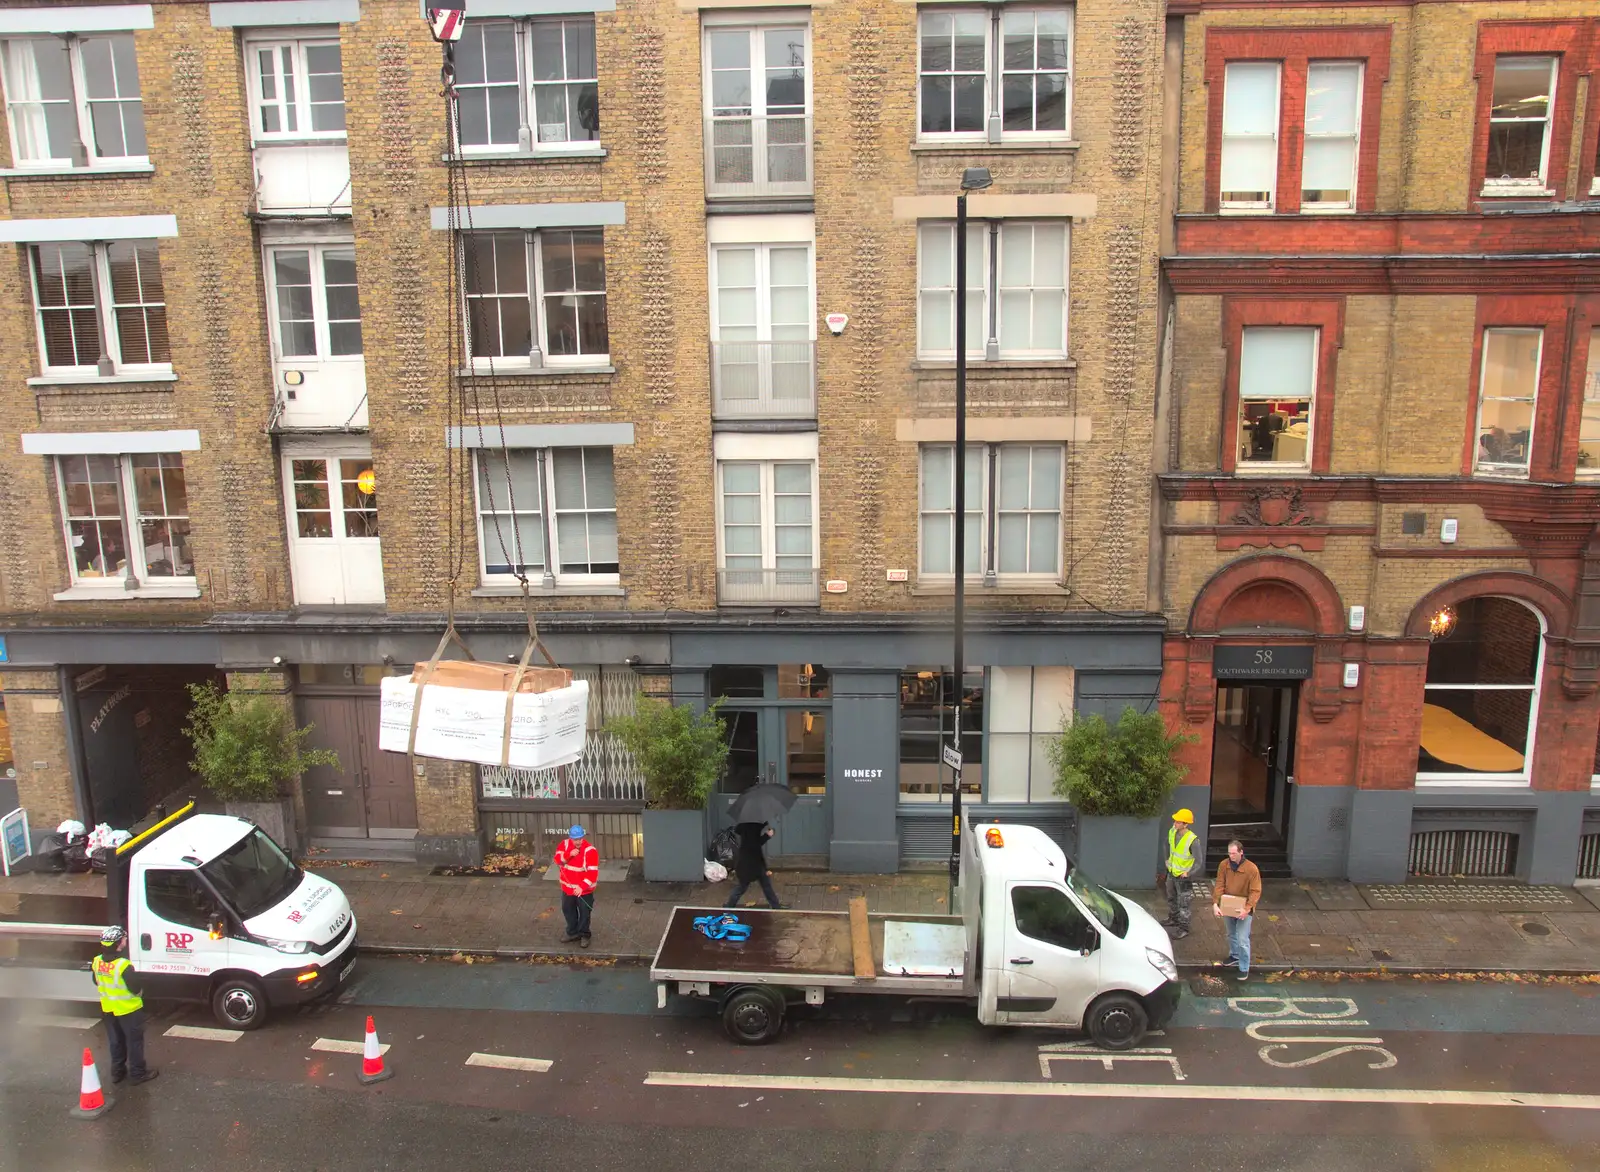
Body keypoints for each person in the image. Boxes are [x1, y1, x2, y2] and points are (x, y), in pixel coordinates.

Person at [93, 926, 157, 1085]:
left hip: (109, 1009)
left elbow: (96, 981)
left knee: (116, 1041)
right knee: (134, 1042)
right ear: (118, 943)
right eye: (123, 939)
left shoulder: (97, 961)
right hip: (129, 1010)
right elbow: (136, 989)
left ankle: (117, 1072)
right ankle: (137, 1073)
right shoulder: (123, 965)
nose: (125, 941)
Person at [1212, 838, 1262, 979]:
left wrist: (1246, 909)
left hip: (1243, 906)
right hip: (1229, 904)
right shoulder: (1224, 865)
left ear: (1241, 852)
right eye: (1229, 853)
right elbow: (1220, 884)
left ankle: (1244, 966)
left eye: (1234, 853)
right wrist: (1216, 903)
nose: (1231, 856)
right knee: (1231, 934)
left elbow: (1255, 891)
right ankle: (1234, 955)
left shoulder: (1251, 869)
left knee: (1242, 938)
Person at [553, 824, 599, 948]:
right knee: (568, 910)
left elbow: (592, 873)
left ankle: (584, 934)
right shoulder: (564, 845)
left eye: (580, 839)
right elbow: (557, 860)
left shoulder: (590, 850)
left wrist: (582, 887)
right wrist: (569, 854)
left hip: (584, 891)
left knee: (585, 912)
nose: (578, 842)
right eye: (575, 839)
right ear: (570, 838)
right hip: (568, 889)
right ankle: (572, 932)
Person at [724, 821, 783, 910]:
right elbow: (755, 844)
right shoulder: (753, 826)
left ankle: (730, 905)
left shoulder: (744, 824)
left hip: (746, 861)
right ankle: (775, 906)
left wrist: (765, 826)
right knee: (751, 886)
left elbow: (743, 834)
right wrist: (767, 835)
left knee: (744, 886)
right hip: (753, 863)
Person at [1160, 808, 1198, 939]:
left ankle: (1184, 928)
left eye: (1178, 822)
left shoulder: (1193, 840)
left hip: (1183, 878)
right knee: (1171, 897)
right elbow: (1166, 844)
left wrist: (1189, 873)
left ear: (1185, 824)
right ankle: (1173, 918)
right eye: (1175, 821)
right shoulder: (1172, 832)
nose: (1175, 823)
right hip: (1172, 873)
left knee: (1184, 903)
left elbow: (1199, 861)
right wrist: (1166, 859)